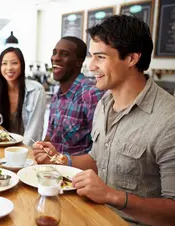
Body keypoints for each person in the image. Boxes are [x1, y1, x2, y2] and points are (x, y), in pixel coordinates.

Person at [33, 15, 175, 225]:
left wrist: (112, 196)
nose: (90, 67)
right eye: (91, 57)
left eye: (100, 57)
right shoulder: (105, 103)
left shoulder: (168, 120)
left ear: (131, 59)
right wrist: (60, 159)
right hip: (94, 215)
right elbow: (98, 159)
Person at [45, 36, 104, 156]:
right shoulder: (58, 94)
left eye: (64, 54)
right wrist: (41, 147)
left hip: (77, 173)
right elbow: (50, 137)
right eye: (54, 53)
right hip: (53, 170)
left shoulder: (91, 94)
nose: (55, 58)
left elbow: (102, 152)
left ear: (79, 62)